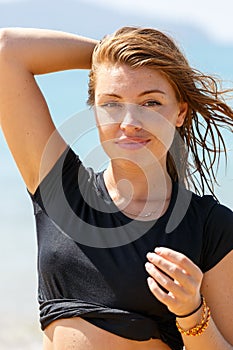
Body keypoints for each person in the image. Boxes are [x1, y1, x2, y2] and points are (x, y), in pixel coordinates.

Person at [0, 26, 232, 350]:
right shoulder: (62, 191)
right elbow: (6, 51)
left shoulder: (209, 227)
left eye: (150, 102)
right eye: (111, 103)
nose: (129, 122)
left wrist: (192, 314)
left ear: (180, 112)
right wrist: (110, 55)